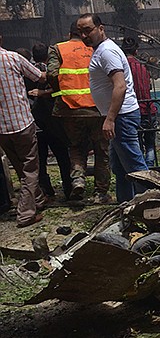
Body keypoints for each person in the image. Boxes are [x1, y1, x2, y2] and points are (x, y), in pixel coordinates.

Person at [77, 13, 148, 203]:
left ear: (101, 28)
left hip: (121, 117)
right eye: (80, 32)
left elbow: (120, 85)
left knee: (136, 169)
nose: (84, 36)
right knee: (120, 167)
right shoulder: (100, 50)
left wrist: (110, 119)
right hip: (119, 116)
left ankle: (153, 207)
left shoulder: (107, 51)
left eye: (88, 30)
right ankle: (125, 205)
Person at [47, 21, 110, 203]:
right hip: (96, 109)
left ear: (70, 34)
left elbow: (51, 74)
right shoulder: (97, 48)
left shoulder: (58, 49)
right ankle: (101, 193)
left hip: (70, 109)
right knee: (101, 151)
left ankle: (78, 180)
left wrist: (61, 90)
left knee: (76, 147)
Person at [0, 34, 48, 227]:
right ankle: (26, 214)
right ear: (1, 39)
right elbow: (40, 77)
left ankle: (39, 200)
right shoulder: (13, 58)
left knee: (20, 167)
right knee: (30, 169)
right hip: (21, 123)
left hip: (1, 129)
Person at [27, 43, 72, 200]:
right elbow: (62, 89)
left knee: (40, 159)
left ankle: (46, 190)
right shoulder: (53, 72)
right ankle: (68, 187)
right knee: (62, 156)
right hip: (54, 121)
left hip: (35, 122)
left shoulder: (27, 72)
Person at [121, 36, 158, 167]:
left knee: (136, 144)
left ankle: (142, 170)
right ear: (136, 51)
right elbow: (148, 86)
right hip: (149, 109)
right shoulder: (142, 66)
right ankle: (150, 167)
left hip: (132, 111)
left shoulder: (121, 68)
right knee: (150, 144)